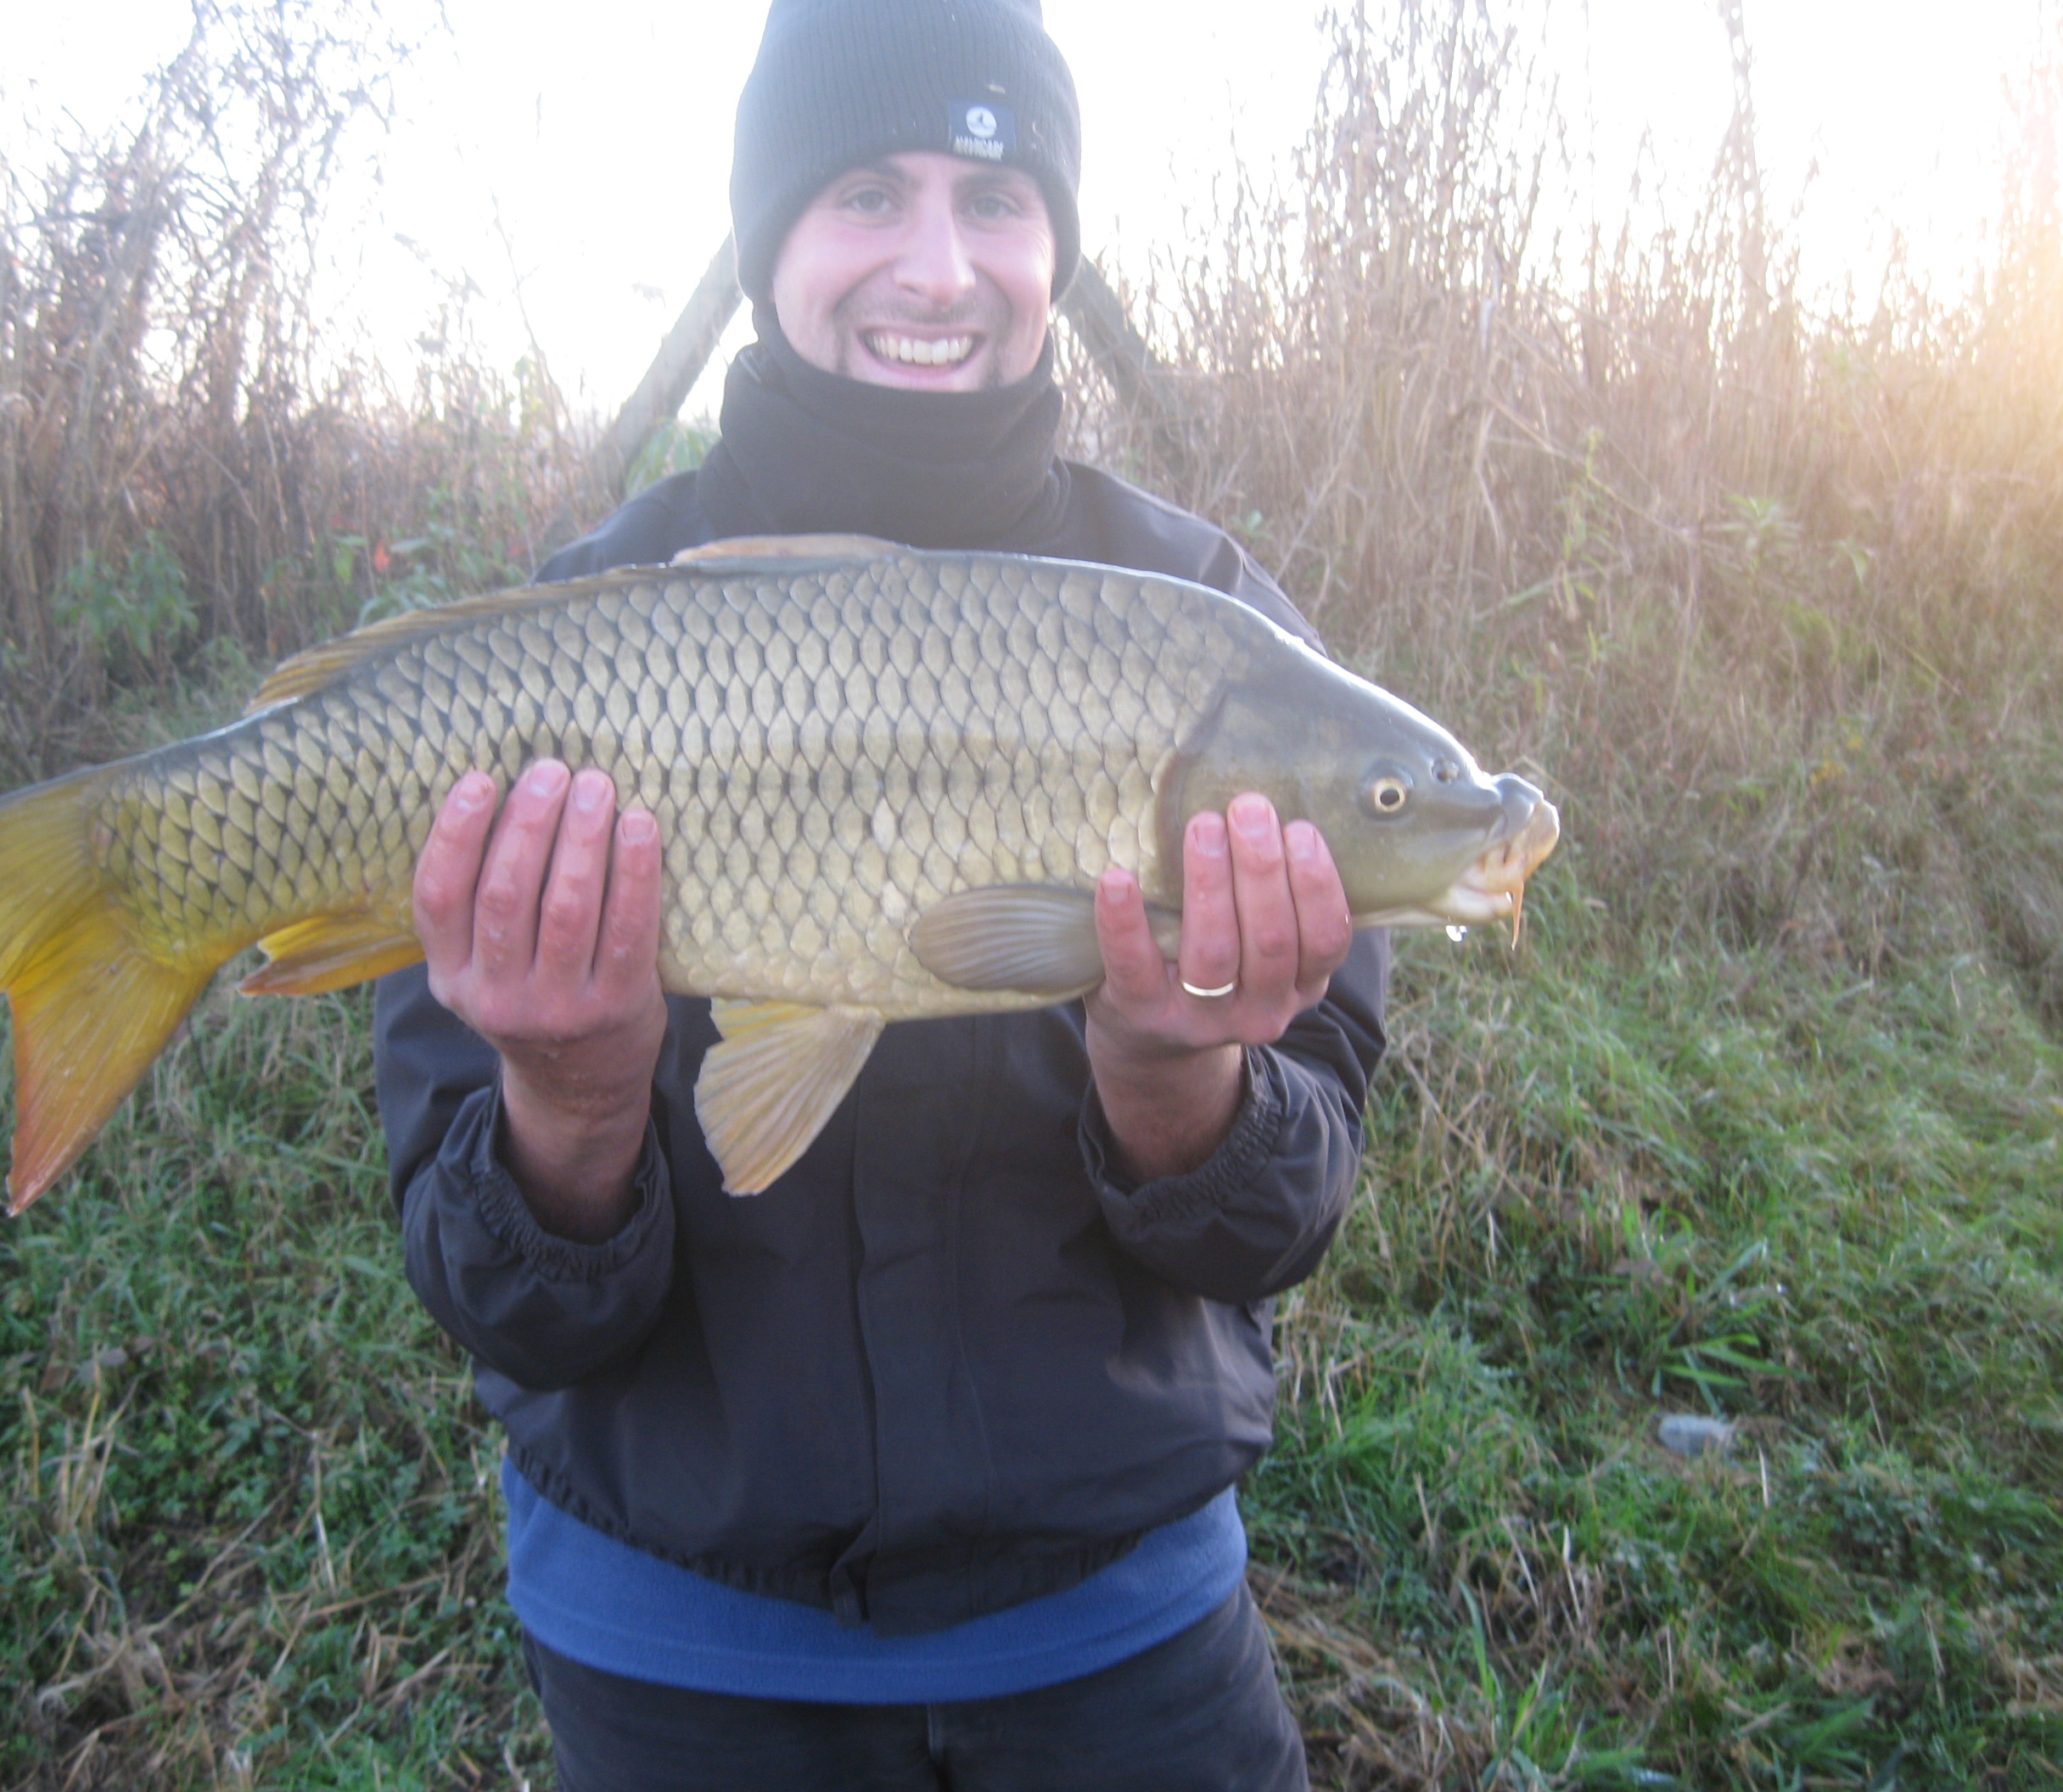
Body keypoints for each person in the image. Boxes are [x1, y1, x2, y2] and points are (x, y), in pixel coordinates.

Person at [375, 3, 1389, 1786]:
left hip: (1119, 1625)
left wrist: (1176, 1077)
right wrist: (573, 1099)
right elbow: (506, 1308)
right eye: (866, 193)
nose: (939, 266)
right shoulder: (557, 655)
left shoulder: (1217, 648)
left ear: (1058, 244)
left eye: (996, 199)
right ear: (768, 232)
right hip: (674, 1640)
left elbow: (1271, 1235)